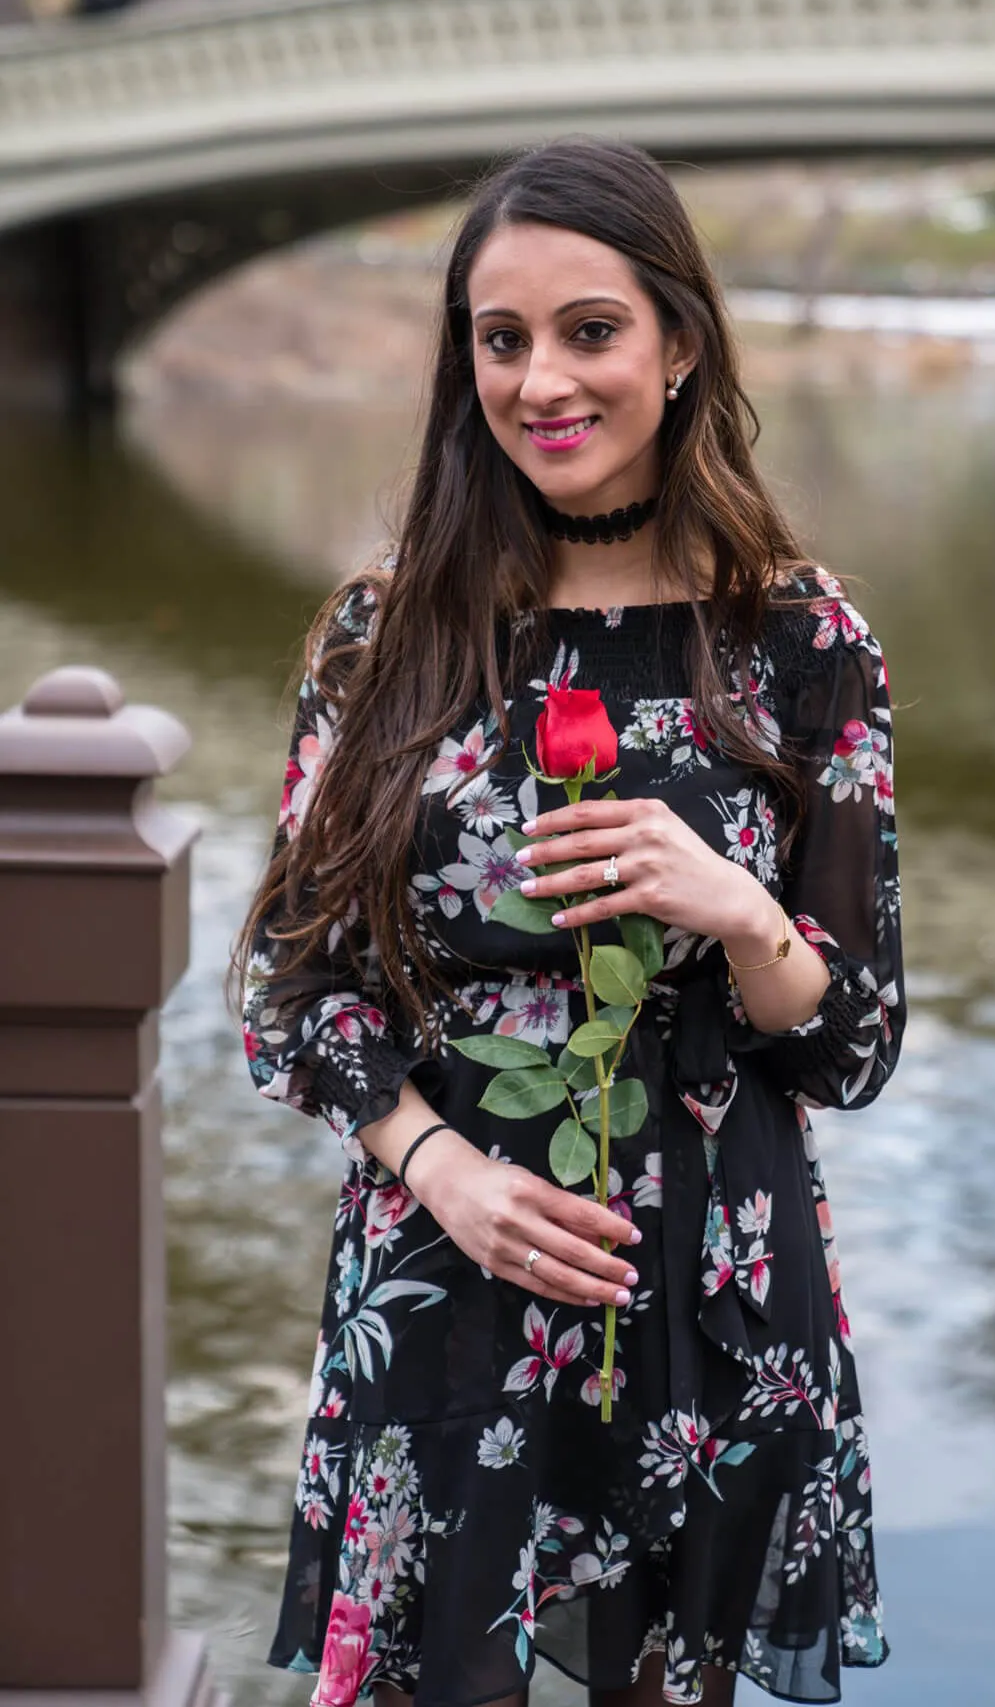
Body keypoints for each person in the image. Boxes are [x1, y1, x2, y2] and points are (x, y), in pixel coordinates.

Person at [234, 137, 905, 1707]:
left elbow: (856, 1040)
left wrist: (742, 913)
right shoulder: (382, 635)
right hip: (446, 1260)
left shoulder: (803, 643)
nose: (543, 379)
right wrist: (440, 1168)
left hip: (707, 1294)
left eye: (590, 330)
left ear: (679, 345)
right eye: (502, 337)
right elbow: (292, 992)